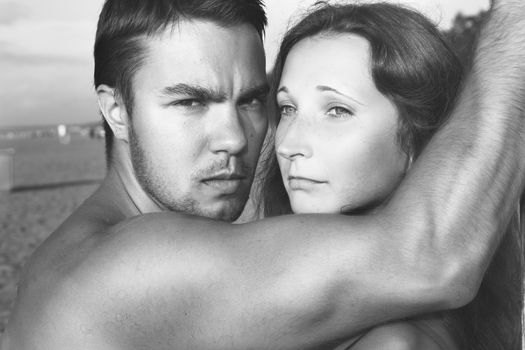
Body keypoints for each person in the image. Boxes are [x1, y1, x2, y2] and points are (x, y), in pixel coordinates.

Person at [2, 0, 525, 349]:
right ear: (117, 112)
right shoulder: (121, 266)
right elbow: (430, 255)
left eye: (253, 100)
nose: (235, 137)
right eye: (190, 101)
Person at [260, 3, 523, 349]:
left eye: (337, 110)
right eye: (288, 109)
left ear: (417, 139)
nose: (289, 144)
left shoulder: (394, 342)